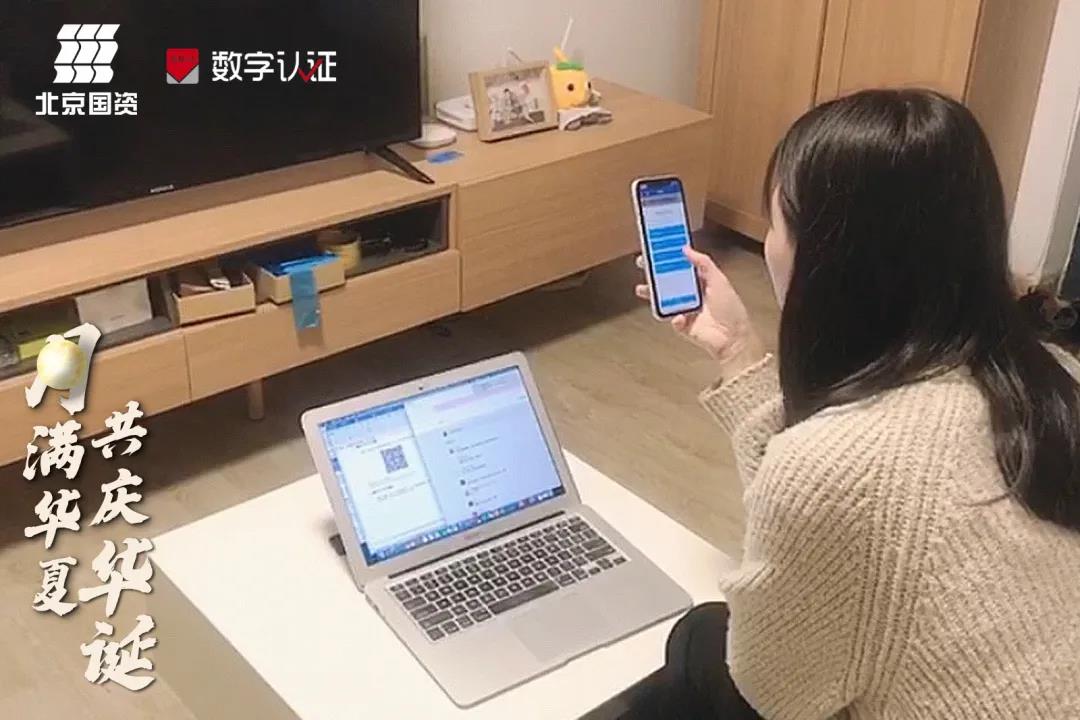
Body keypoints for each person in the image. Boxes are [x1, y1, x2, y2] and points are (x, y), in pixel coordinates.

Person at [631, 89, 1080, 719]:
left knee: (698, 642)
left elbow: (772, 693)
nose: (768, 241)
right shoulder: (1055, 377)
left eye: (775, 221)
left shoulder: (837, 467)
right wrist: (737, 351)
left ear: (830, 259)